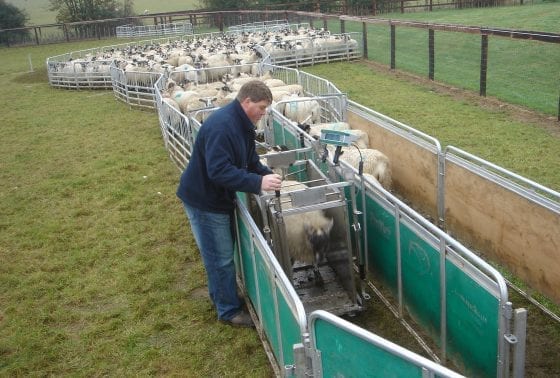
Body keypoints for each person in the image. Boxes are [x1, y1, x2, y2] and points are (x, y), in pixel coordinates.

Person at [176, 80, 283, 328]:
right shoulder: (223, 127)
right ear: (246, 102)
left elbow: (249, 159)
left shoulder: (243, 124)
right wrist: (258, 183)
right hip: (206, 201)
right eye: (261, 107)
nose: (264, 112)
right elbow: (219, 172)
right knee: (220, 258)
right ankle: (228, 311)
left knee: (221, 253)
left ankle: (222, 296)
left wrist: (266, 174)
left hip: (218, 197)